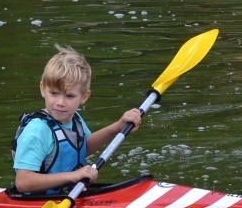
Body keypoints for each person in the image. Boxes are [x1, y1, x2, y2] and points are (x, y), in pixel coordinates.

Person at [12, 45, 145, 194]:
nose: (60, 102)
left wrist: (117, 127)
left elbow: (84, 147)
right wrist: (73, 176)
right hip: (39, 203)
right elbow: (23, 182)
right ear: (43, 89)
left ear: (84, 96)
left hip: (70, 194)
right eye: (54, 93)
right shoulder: (37, 131)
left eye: (69, 96)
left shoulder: (74, 119)